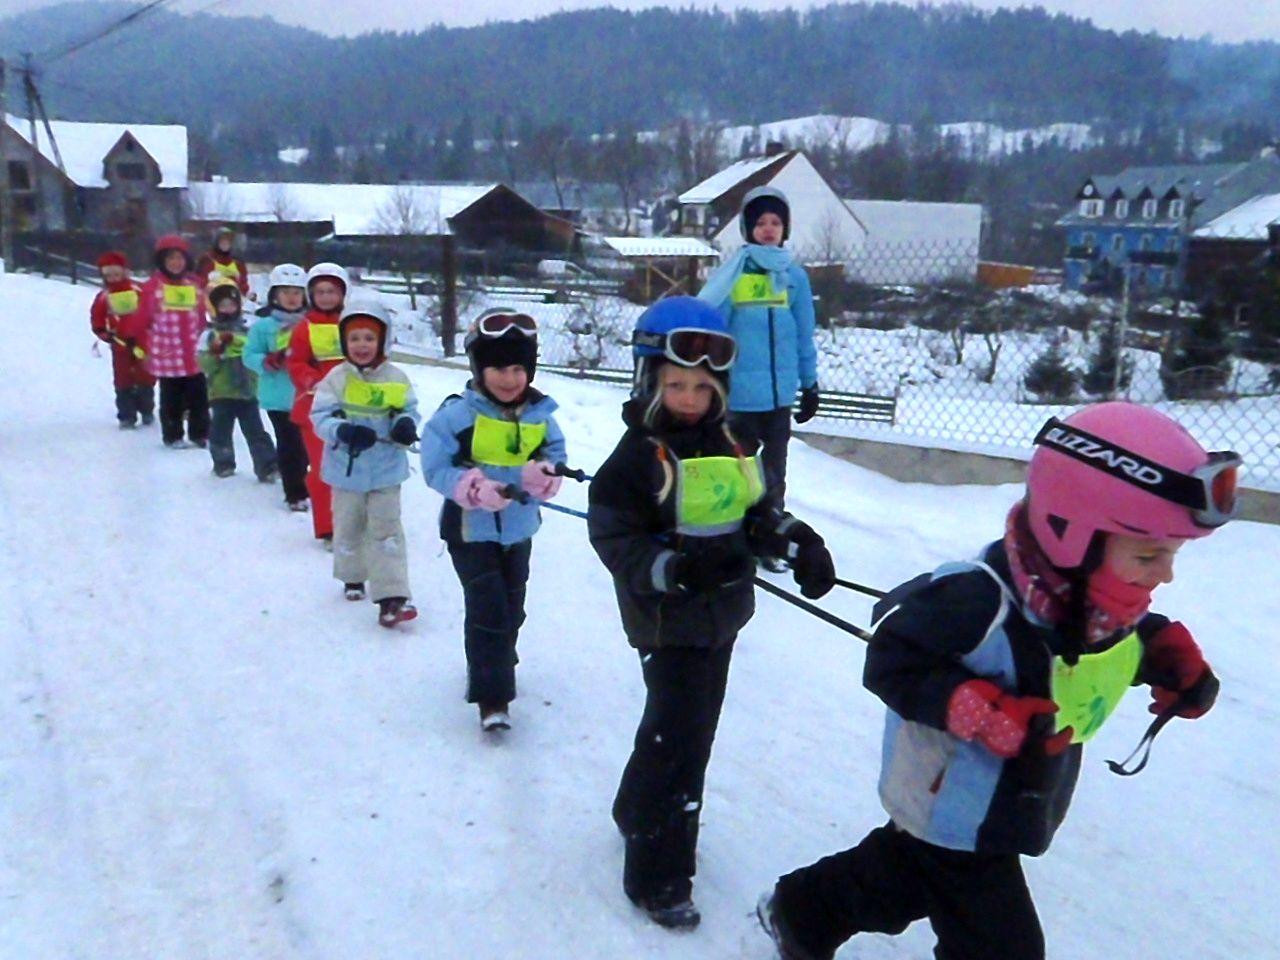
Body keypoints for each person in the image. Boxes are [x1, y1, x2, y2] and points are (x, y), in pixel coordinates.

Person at [757, 402, 1240, 960]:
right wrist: (973, 709)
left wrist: (1162, 656)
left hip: (998, 804)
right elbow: (892, 656)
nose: (1166, 572)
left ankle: (800, 911)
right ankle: (802, 911)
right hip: (955, 802)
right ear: (1071, 534)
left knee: (896, 882)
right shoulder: (974, 602)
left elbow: (1083, 649)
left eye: (1170, 554)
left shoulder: (1094, 604)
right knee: (998, 945)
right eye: (1150, 554)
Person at [586, 296, 835, 931]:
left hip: (723, 613)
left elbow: (756, 513)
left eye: (702, 385)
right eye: (675, 384)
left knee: (676, 726)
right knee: (685, 742)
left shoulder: (735, 441)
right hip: (666, 620)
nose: (690, 397)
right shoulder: (638, 457)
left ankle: (633, 809)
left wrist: (797, 541)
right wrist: (676, 569)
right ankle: (657, 875)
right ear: (649, 381)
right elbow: (616, 539)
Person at [420, 309, 566, 732]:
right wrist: (471, 486)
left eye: (519, 368)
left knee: (512, 607)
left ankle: (501, 655)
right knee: (487, 610)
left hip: (519, 528)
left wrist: (547, 473)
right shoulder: (456, 416)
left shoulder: (540, 414)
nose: (510, 378)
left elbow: (554, 452)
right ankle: (492, 696)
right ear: (479, 369)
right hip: (470, 530)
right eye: (499, 367)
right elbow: (434, 467)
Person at [697, 185, 820, 515]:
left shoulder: (794, 277)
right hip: (739, 398)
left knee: (774, 474)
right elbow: (713, 333)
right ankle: (735, 530)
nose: (768, 229)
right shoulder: (733, 275)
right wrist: (709, 382)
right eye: (761, 222)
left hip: (779, 400)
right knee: (739, 470)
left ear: (785, 229)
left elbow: (803, 336)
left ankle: (770, 532)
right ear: (748, 228)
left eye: (776, 223)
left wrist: (809, 385)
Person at [312, 299, 420, 628]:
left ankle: (392, 596)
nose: (362, 345)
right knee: (349, 528)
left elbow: (409, 409)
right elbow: (320, 417)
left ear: (382, 341)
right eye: (355, 338)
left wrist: (405, 424)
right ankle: (352, 575)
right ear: (345, 342)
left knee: (386, 531)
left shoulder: (396, 377)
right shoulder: (336, 378)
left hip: (386, 469)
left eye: (369, 338)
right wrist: (341, 430)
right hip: (346, 470)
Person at [287, 262, 350, 548]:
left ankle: (353, 521)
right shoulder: (304, 328)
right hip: (315, 407)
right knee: (323, 468)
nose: (326, 297)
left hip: (353, 404)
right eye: (320, 291)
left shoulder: (352, 321)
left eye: (332, 291)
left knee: (353, 468)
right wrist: (310, 377)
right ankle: (327, 527)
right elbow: (296, 361)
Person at [197, 277, 277, 480]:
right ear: (215, 308)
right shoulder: (209, 334)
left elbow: (258, 356)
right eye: (222, 305)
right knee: (220, 431)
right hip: (221, 391)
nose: (227, 309)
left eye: (231, 304)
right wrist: (217, 353)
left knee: (256, 431)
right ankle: (223, 463)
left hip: (248, 391)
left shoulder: (249, 330)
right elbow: (203, 365)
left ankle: (267, 466)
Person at [244, 263, 311, 510]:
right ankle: (295, 493)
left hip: (307, 395)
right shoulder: (263, 326)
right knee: (289, 443)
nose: (292, 298)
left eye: (296, 292)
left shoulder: (311, 324)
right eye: (285, 292)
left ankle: (304, 480)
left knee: (305, 445)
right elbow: (248, 355)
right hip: (278, 397)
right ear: (274, 295)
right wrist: (267, 361)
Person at [134, 234, 209, 449]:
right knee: (171, 399)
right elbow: (142, 320)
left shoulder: (194, 284)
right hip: (168, 355)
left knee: (199, 397)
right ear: (162, 262)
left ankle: (200, 433)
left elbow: (201, 315)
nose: (175, 263)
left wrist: (205, 340)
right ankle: (173, 435)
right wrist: (142, 347)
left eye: (179, 258)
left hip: (194, 352)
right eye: (170, 259)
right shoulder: (152, 287)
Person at [89, 250, 155, 429]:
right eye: (108, 275)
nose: (113, 278)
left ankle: (146, 409)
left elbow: (151, 310)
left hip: (142, 342)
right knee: (123, 379)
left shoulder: (138, 290)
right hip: (120, 344)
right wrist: (103, 333)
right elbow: (97, 318)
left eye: (116, 274)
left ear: (125, 272)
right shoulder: (104, 297)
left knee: (146, 377)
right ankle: (126, 415)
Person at [196, 226, 252, 299]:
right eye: (222, 241)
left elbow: (243, 283)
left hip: (233, 299)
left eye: (228, 241)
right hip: (212, 298)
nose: (225, 243)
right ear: (216, 242)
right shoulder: (207, 259)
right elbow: (199, 281)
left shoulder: (238, 262)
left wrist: (247, 293)